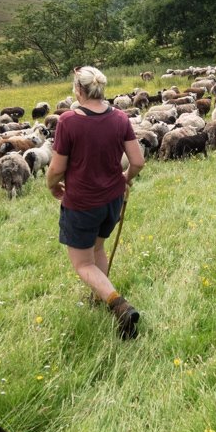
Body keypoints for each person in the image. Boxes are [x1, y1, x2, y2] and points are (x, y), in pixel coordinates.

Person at [45, 66, 145, 339]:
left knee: (82, 264)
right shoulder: (120, 117)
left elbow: (56, 168)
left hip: (82, 203)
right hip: (112, 200)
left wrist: (52, 185)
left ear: (78, 90)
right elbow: (137, 161)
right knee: (98, 248)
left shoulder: (68, 121)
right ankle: (101, 297)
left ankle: (118, 304)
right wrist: (126, 178)